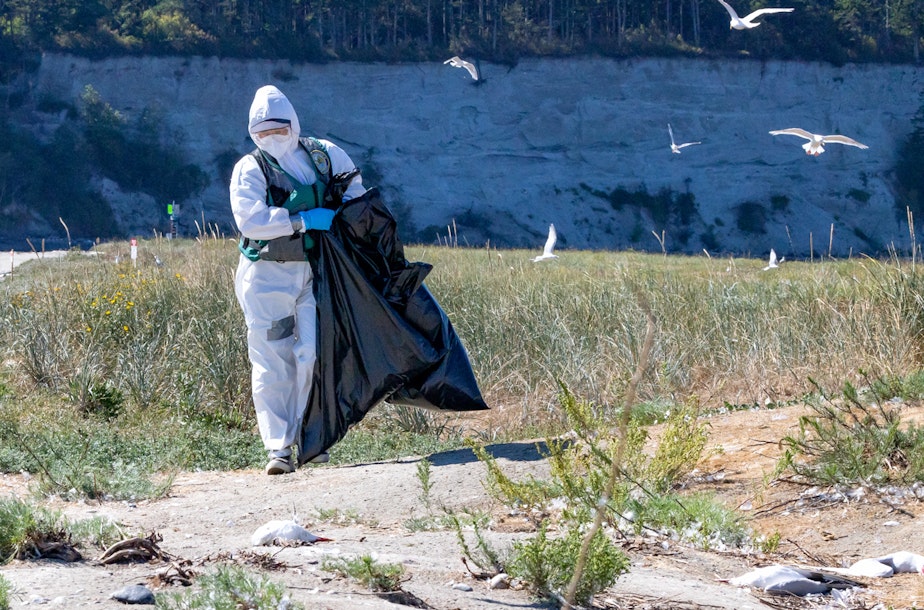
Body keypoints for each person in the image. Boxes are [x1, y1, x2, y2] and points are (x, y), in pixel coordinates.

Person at [229, 85, 365, 475]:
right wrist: (300, 220)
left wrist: (344, 216)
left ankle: (311, 438)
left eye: (279, 128)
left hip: (316, 271)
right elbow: (250, 219)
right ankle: (278, 449)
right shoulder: (250, 168)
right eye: (263, 131)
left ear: (293, 122)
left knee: (312, 354)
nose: (272, 137)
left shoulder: (323, 155)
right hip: (266, 277)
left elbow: (354, 190)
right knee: (272, 361)